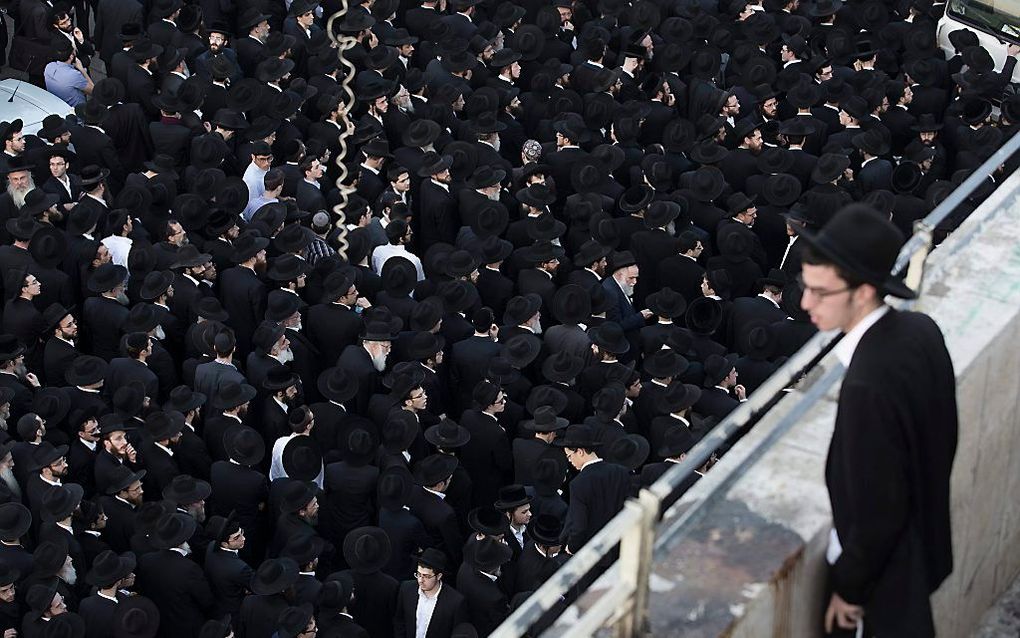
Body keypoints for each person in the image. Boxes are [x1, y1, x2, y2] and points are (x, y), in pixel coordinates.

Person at [798, 205, 957, 637]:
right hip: (921, 551)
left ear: (863, 291)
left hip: (882, 584)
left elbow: (878, 510)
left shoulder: (866, 386)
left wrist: (850, 589)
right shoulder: (920, 331)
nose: (805, 303)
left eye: (820, 292)